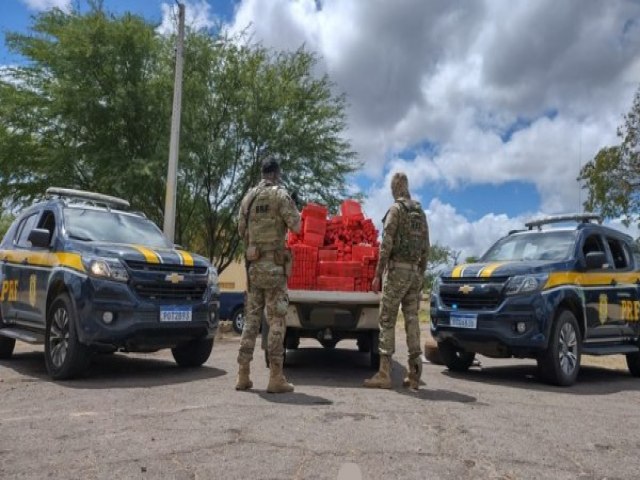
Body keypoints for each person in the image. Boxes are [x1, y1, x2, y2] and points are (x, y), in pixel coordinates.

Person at [236, 158, 301, 393]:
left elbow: (241, 230)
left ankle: (243, 375)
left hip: (254, 269)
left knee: (251, 320)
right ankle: (275, 377)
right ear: (276, 173)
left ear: (263, 173)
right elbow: (297, 226)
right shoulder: (280, 195)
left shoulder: (248, 198)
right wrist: (296, 205)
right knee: (276, 320)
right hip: (274, 270)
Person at [364, 172, 429, 390]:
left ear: (394, 189)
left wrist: (377, 273)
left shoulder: (396, 210)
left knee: (387, 319)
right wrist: (420, 274)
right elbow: (426, 248)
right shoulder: (419, 212)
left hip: (396, 272)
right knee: (412, 319)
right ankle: (414, 373)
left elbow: (386, 245)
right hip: (414, 273)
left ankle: (384, 373)